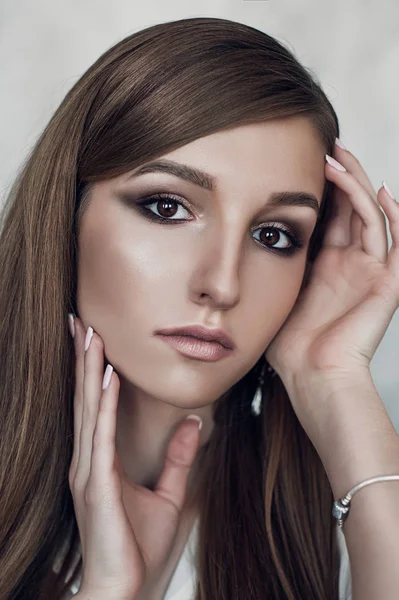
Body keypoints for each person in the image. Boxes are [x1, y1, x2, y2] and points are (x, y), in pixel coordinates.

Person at [2, 15, 399, 600]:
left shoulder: (345, 521)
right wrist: (112, 589)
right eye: (167, 207)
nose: (223, 284)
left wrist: (334, 379)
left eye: (274, 236)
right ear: (67, 214)